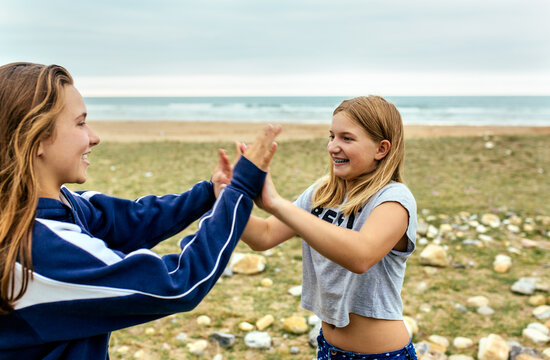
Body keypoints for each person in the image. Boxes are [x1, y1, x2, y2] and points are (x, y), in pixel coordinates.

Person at [0, 62, 281, 360]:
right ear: (37, 137)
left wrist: (209, 193)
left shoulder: (56, 205)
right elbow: (176, 285)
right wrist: (238, 193)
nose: (94, 137)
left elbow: (131, 221)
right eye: (80, 123)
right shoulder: (36, 248)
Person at [241, 95, 418, 360]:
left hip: (382, 355)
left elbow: (361, 256)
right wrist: (227, 198)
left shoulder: (393, 199)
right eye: (332, 136)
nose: (333, 147)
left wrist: (277, 204)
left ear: (381, 149)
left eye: (347, 138)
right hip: (328, 349)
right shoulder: (323, 192)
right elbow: (263, 237)